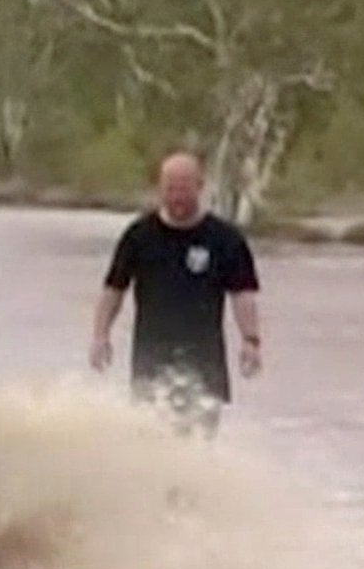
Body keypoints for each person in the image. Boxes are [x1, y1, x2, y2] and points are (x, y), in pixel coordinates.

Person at [89, 152, 262, 437]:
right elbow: (114, 289)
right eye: (170, 188)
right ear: (159, 188)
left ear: (200, 186)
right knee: (152, 439)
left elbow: (243, 293)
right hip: (151, 357)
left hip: (204, 360)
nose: (177, 196)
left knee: (199, 439)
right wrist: (100, 335)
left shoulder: (224, 239)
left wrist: (251, 340)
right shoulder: (139, 236)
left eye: (184, 188)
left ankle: (195, 481)